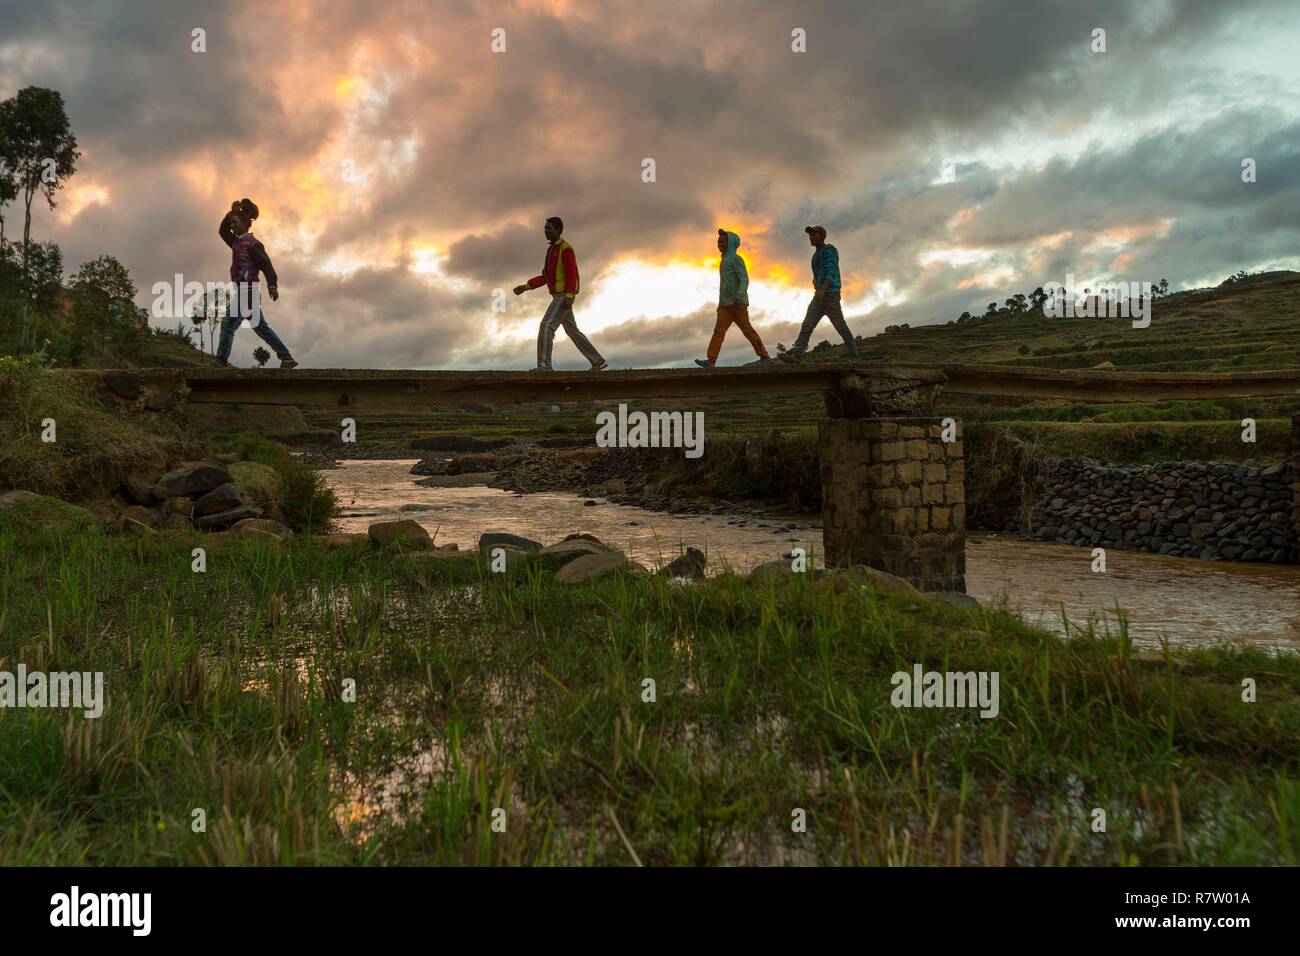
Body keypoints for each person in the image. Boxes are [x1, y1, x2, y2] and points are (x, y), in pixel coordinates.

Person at [513, 217, 607, 371]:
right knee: (572, 330)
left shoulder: (565, 248)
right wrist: (525, 287)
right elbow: (545, 276)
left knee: (546, 326)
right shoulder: (552, 250)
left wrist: (569, 296)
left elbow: (572, 273)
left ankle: (544, 366)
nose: (545, 230)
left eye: (548, 228)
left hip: (563, 295)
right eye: (545, 228)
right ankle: (596, 360)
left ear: (557, 230)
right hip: (560, 295)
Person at [215, 198, 298, 369]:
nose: (232, 226)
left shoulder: (253, 244)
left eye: (235, 222)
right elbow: (222, 231)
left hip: (248, 291)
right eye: (231, 223)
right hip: (243, 291)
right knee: (260, 327)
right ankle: (286, 357)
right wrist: (229, 214)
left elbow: (266, 265)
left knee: (228, 324)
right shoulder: (236, 242)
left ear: (246, 223)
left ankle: (220, 361)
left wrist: (272, 285)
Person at [780, 225, 860, 362]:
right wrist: (817, 286)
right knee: (807, 324)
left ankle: (855, 355)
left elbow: (832, 271)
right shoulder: (815, 255)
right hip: (819, 296)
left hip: (830, 295)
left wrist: (823, 289)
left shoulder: (829, 250)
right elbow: (818, 274)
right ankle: (797, 355)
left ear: (822, 236)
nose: (811, 237)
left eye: (814, 235)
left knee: (840, 326)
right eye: (810, 235)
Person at [695, 229, 770, 368]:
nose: (719, 244)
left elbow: (744, 279)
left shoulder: (736, 259)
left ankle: (764, 356)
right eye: (718, 241)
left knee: (747, 330)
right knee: (719, 332)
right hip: (724, 305)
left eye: (722, 241)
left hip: (737, 303)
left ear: (730, 243)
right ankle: (711, 361)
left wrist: (739, 295)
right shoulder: (723, 261)